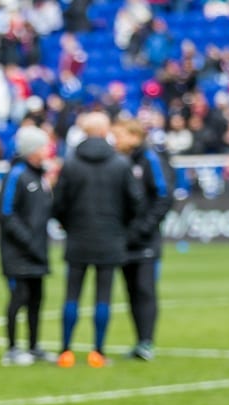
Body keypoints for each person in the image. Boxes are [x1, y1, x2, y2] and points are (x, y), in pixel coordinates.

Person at [52, 111, 146, 369]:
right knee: (102, 297)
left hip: (78, 237)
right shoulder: (120, 163)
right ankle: (98, 352)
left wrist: (68, 224)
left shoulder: (70, 163)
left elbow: (58, 203)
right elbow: (135, 203)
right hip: (110, 237)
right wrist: (120, 226)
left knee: (72, 295)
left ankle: (66, 351)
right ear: (106, 132)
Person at [111, 118, 171, 362]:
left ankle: (147, 341)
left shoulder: (151, 159)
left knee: (145, 289)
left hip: (145, 240)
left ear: (135, 136)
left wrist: (143, 229)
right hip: (123, 240)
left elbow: (163, 197)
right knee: (131, 291)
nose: (115, 140)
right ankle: (139, 341)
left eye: (120, 135)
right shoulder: (119, 162)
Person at [0, 124, 56, 366]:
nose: (47, 150)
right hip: (17, 252)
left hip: (38, 251)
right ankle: (12, 349)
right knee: (18, 298)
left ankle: (34, 346)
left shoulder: (40, 176)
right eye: (43, 146)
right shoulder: (17, 174)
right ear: (32, 149)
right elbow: (6, 213)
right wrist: (28, 241)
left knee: (37, 299)